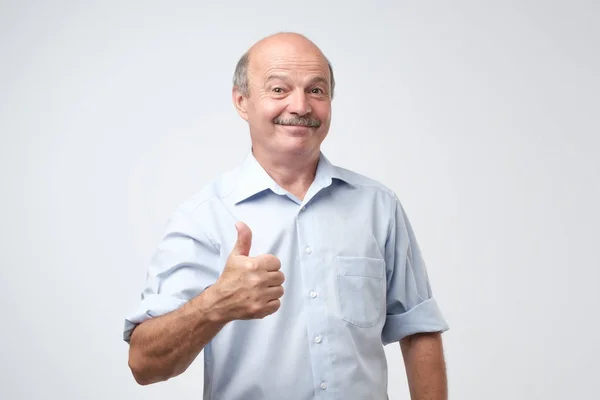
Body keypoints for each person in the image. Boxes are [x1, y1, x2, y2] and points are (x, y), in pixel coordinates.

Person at [123, 32, 449, 400]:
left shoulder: (378, 206)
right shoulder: (204, 218)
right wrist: (215, 304)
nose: (301, 106)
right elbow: (143, 364)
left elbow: (418, 330)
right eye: (279, 90)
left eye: (317, 91)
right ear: (242, 101)